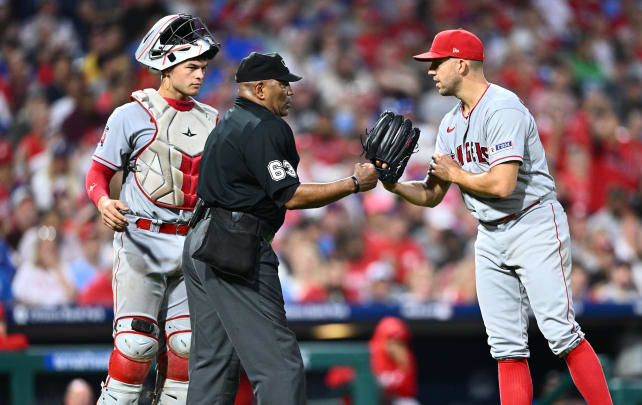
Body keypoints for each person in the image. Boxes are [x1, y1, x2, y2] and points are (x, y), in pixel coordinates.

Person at [381, 29, 613, 404]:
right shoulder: (451, 125)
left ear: (461, 63)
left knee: (560, 332)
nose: (431, 71)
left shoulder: (503, 107)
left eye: (437, 62)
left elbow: (503, 184)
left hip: (532, 221)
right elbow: (432, 195)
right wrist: (394, 186)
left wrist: (456, 174)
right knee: (506, 346)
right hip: (489, 232)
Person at [182, 51, 378, 404]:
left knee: (213, 364)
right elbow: (290, 195)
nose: (289, 91)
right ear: (259, 89)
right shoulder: (266, 127)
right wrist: (353, 183)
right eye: (282, 84)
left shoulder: (229, 122)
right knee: (280, 365)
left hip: (202, 242)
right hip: (234, 244)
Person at [84, 14, 220, 405]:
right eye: (191, 67)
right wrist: (103, 200)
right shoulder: (131, 114)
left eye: (202, 68)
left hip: (192, 246)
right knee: (135, 346)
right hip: (142, 239)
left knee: (187, 346)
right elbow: (97, 171)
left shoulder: (212, 119)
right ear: (166, 64)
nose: (199, 76)